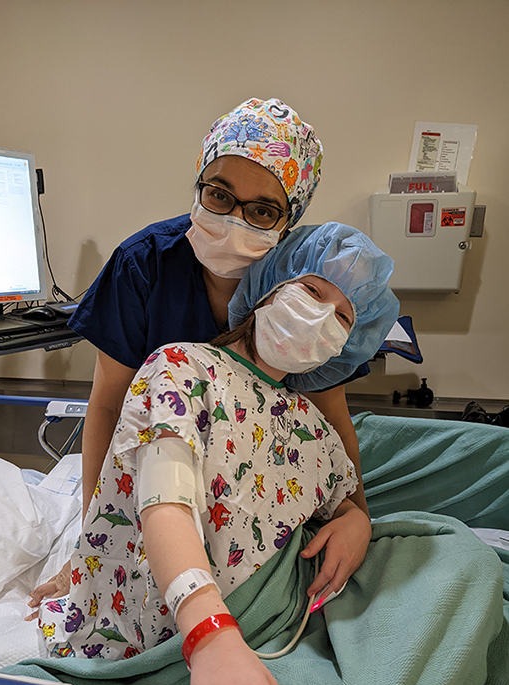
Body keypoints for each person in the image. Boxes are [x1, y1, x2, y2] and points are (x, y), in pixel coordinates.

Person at [37, 222, 398, 685]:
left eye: (343, 316)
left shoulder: (312, 427)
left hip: (274, 621)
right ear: (268, 286)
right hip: (174, 623)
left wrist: (355, 520)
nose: (319, 317)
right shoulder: (182, 369)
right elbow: (166, 503)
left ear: (350, 344)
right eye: (312, 291)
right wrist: (210, 633)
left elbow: (341, 496)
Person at [28, 97, 380, 615]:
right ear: (199, 183)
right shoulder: (145, 267)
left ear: (291, 218)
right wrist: (92, 549)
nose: (236, 220)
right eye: (219, 195)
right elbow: (107, 406)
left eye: (263, 210)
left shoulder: (303, 287)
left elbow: (329, 417)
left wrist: (358, 519)